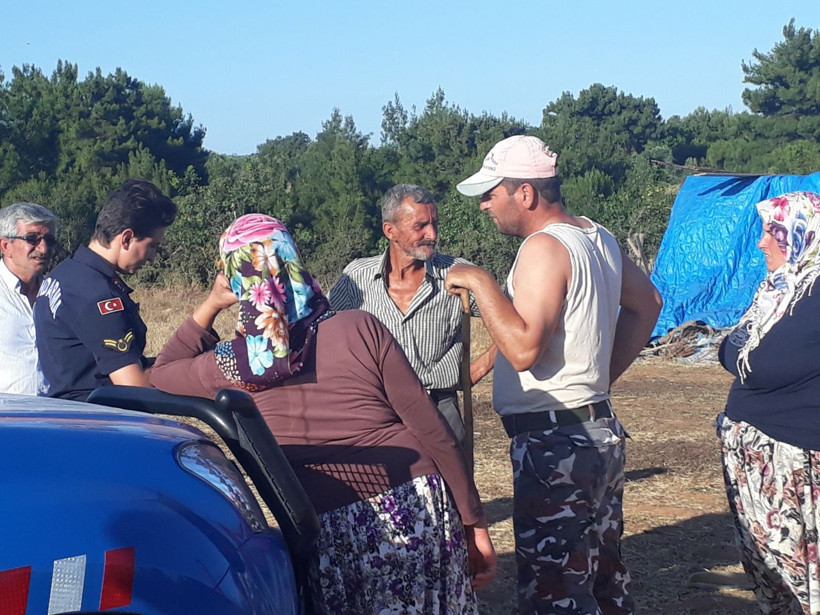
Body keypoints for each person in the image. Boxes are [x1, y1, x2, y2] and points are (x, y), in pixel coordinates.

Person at [149, 214, 497, 614]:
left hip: (327, 532)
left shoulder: (234, 366)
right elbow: (433, 430)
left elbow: (163, 370)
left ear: (237, 279)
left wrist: (211, 302)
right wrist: (474, 523)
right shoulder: (359, 327)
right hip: (416, 508)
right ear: (295, 263)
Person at [445, 135, 662, 614]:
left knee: (555, 591)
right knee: (603, 582)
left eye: (490, 193)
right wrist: (598, 380)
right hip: (597, 431)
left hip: (554, 445)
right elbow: (649, 305)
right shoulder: (596, 237)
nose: (484, 206)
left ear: (525, 194)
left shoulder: (543, 247)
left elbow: (523, 349)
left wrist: (480, 281)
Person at [718, 191, 820, 614]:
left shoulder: (811, 295)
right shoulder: (782, 289)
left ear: (798, 234)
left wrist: (739, 350)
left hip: (791, 458)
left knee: (798, 573)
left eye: (770, 232)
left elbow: (756, 363)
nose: (761, 243)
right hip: (761, 455)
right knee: (770, 570)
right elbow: (729, 348)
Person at [330, 184, 480, 443]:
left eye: (435, 224)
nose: (432, 234)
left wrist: (472, 372)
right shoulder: (357, 276)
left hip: (440, 407)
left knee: (451, 483)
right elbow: (327, 335)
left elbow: (511, 323)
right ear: (390, 231)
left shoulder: (459, 273)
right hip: (377, 410)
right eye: (420, 226)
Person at [34, 179, 176, 401]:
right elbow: (134, 386)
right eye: (152, 246)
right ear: (127, 238)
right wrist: (195, 375)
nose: (152, 257)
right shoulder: (96, 295)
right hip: (98, 421)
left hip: (68, 415)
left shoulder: (64, 275)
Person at [0, 203, 58, 395]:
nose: (43, 248)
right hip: (8, 417)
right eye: (32, 239)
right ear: (6, 245)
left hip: (58, 415)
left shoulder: (59, 291)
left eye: (49, 239)